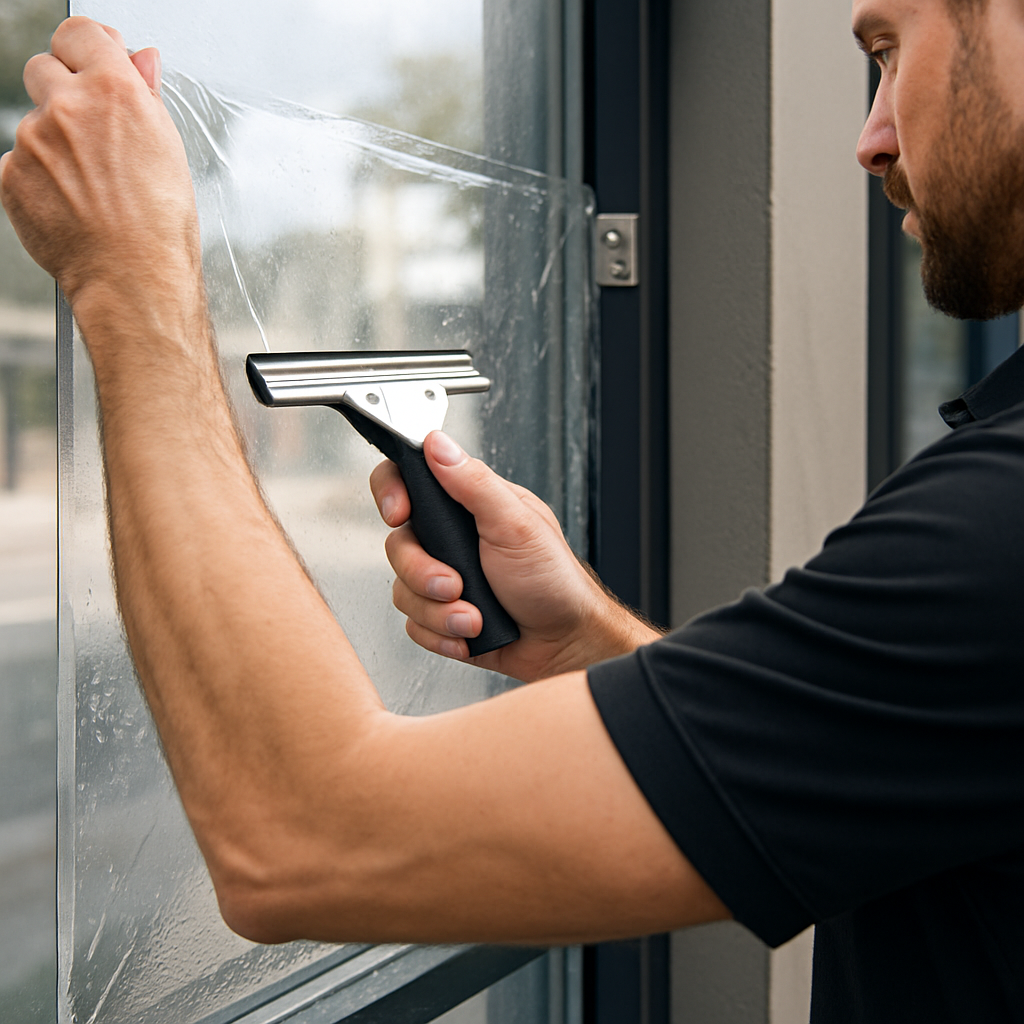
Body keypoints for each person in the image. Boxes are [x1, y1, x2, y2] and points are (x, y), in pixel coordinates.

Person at [1, 0, 1022, 1019]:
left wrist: (126, 277)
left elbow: (301, 838)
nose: (869, 137)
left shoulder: (992, 531)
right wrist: (588, 643)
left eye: (887, 55)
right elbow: (857, 762)